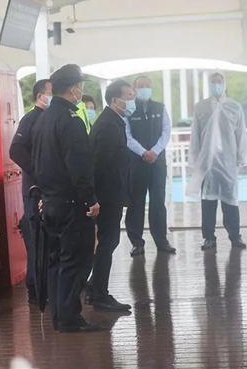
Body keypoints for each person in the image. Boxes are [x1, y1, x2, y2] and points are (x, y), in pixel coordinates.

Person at [31, 64, 104, 332]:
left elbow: (37, 161)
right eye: (80, 85)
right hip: (72, 205)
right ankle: (70, 318)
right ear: (74, 88)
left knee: (56, 261)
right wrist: (90, 199)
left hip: (51, 203)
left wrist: (44, 194)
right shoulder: (71, 120)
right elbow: (79, 166)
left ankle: (59, 316)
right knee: (77, 261)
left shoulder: (43, 119)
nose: (81, 90)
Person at [87, 80, 135, 312]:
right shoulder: (108, 126)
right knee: (108, 241)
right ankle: (98, 294)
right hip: (107, 195)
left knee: (109, 241)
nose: (133, 101)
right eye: (129, 96)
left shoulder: (113, 122)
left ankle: (95, 288)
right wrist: (98, 197)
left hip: (111, 193)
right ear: (116, 100)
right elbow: (101, 165)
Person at [187, 71, 247, 251]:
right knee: (208, 201)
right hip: (208, 162)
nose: (216, 85)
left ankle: (235, 236)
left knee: (230, 200)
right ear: (209, 84)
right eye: (213, 81)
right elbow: (195, 135)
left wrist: (242, 157)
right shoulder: (201, 107)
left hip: (228, 161)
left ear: (224, 83)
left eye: (219, 81)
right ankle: (209, 237)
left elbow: (241, 134)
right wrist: (195, 160)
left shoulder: (234, 107)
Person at [9, 79, 52, 304]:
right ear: (39, 96)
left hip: (45, 189)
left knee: (46, 240)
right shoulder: (32, 119)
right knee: (37, 240)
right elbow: (15, 150)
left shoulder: (48, 118)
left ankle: (44, 286)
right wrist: (38, 171)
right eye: (50, 92)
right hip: (35, 191)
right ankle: (35, 289)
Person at [125, 75, 176, 256]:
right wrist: (143, 152)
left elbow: (166, 131)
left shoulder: (160, 108)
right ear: (134, 89)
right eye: (141, 86)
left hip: (157, 162)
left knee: (158, 202)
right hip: (136, 163)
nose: (145, 89)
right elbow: (127, 135)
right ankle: (136, 243)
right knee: (135, 203)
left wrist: (154, 151)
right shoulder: (129, 110)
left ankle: (161, 241)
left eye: (147, 86)